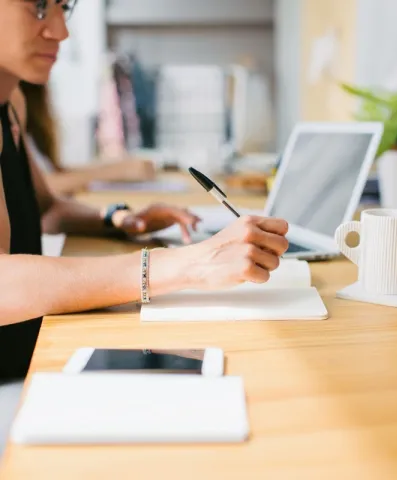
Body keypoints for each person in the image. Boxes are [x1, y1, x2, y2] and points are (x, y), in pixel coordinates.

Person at [0, 0, 289, 383]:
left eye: (63, 7)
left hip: (30, 351)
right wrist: (189, 265)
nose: (61, 31)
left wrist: (119, 219)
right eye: (37, 7)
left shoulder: (11, 102)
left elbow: (46, 209)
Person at [19, 80, 157, 196]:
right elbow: (36, 187)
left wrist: (121, 168)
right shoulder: (9, 105)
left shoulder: (28, 103)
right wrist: (119, 172)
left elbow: (51, 172)